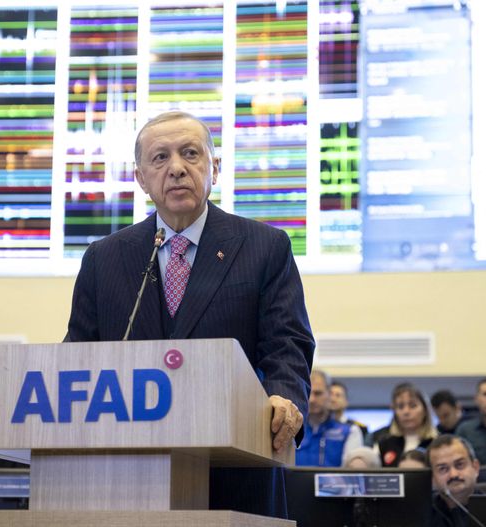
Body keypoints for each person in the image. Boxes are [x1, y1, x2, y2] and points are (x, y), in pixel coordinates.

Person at [64, 111, 313, 517]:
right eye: (160, 158)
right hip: (128, 479)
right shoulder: (103, 259)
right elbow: (77, 355)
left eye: (190, 154)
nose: (177, 168)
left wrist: (282, 397)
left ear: (214, 168)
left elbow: (288, 343)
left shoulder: (265, 247)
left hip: (237, 474)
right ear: (141, 179)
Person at [296, 371, 362, 467]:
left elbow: (351, 473)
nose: (312, 400)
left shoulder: (350, 431)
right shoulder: (294, 428)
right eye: (308, 393)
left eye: (318, 393)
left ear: (329, 394)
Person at [370, 383, 438, 467]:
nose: (406, 412)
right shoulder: (384, 444)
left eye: (413, 406)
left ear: (425, 410)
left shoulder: (436, 444)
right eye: (400, 407)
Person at [428, 435, 481, 527]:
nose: (453, 474)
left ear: (475, 468)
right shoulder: (422, 514)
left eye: (459, 464)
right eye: (443, 469)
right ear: (432, 478)